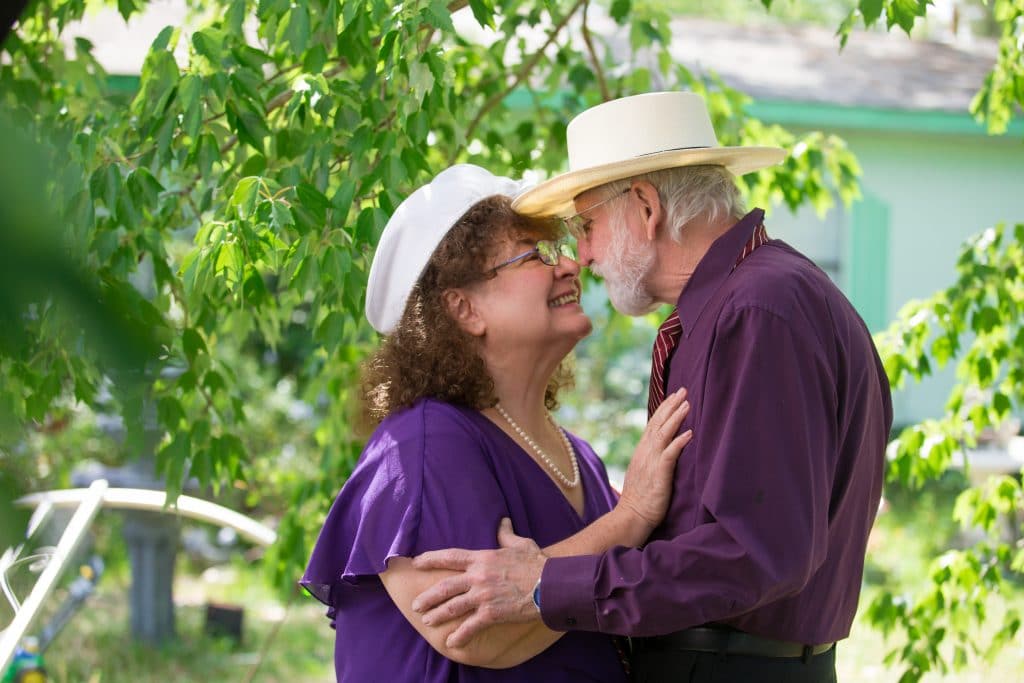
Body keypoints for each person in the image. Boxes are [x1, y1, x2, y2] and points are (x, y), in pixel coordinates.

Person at [410, 92, 894, 683]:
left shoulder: (757, 308)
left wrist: (543, 583)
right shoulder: (752, 301)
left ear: (645, 206)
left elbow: (757, 554)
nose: (582, 256)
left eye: (586, 226)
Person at [300, 163, 694, 682]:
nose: (571, 265)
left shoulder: (581, 459)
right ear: (464, 309)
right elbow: (477, 632)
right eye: (534, 255)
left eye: (557, 249)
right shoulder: (423, 445)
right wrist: (631, 518)